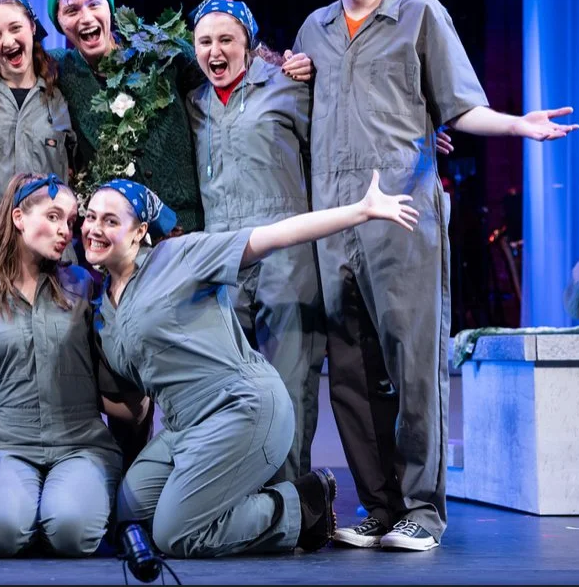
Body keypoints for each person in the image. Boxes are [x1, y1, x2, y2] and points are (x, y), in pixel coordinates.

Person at [291, 0, 579, 551]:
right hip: (333, 217)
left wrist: (515, 125)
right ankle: (379, 506)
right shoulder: (314, 30)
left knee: (414, 363)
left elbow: (457, 106)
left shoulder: (418, 13)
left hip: (403, 214)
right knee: (354, 369)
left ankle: (423, 510)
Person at [85, 172, 419, 565]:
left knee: (175, 533)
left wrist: (360, 211)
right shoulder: (103, 312)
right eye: (90, 217)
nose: (95, 229)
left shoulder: (180, 257)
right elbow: (136, 403)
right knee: (130, 515)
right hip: (184, 429)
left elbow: (276, 236)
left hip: (242, 408)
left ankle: (300, 506)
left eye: (110, 221)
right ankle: (218, 499)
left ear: (140, 230)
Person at [0, 173, 141, 557]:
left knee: (71, 531)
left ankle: (60, 506)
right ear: (18, 218)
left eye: (69, 221)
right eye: (53, 217)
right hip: (9, 442)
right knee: (2, 535)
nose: (66, 230)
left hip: (81, 443)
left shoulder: (84, 286)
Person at [183, 0, 323, 482]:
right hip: (224, 256)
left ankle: (291, 499)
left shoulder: (287, 87)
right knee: (232, 385)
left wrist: (416, 135)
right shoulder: (194, 105)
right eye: (205, 41)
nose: (216, 50)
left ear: (249, 44)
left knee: (290, 382)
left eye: (226, 39)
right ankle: (240, 493)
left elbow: (341, 136)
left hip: (286, 250)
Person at [45, 0, 203, 234]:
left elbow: (222, 62)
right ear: (60, 24)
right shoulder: (60, 70)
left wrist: (278, 62)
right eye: (71, 10)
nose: (85, 17)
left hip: (187, 227)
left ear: (110, 9)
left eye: (94, 4)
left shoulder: (159, 52)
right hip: (120, 237)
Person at [0, 0, 75, 266]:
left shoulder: (60, 95)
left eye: (15, 28)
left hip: (53, 253)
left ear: (32, 27)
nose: (8, 41)